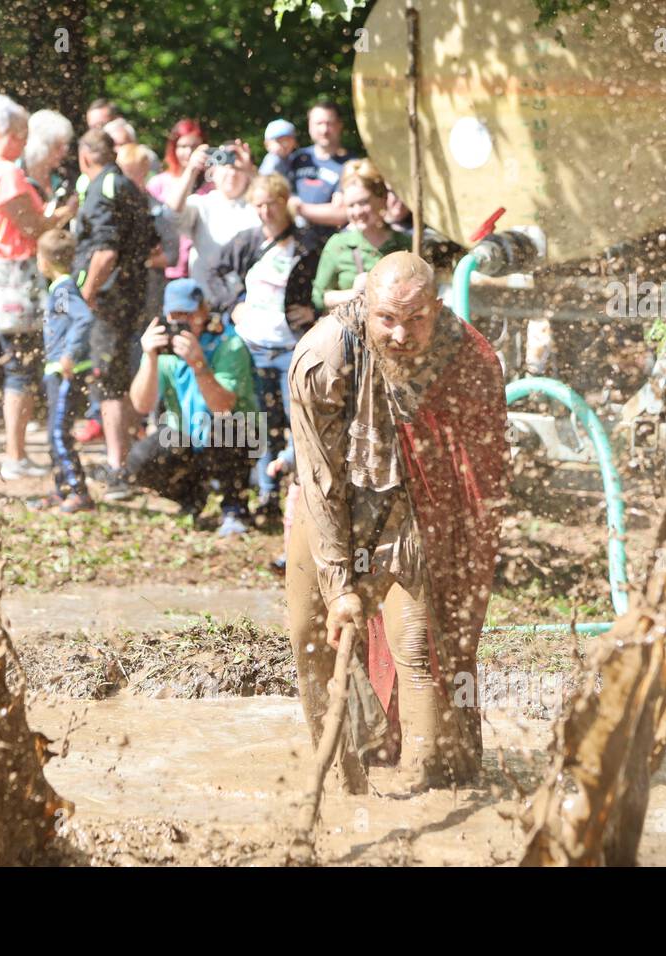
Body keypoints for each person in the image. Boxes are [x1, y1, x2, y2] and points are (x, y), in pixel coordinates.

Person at [286, 252, 507, 794]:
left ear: (437, 309)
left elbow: (479, 471)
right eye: (388, 318)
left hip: (413, 505)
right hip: (334, 498)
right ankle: (345, 775)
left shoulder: (467, 356)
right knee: (310, 636)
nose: (402, 333)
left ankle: (424, 788)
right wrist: (339, 585)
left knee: (417, 648)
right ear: (365, 307)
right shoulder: (323, 356)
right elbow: (319, 480)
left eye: (416, 319)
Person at [0, 93, 68, 482]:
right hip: (13, 276)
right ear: (3, 132)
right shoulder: (5, 172)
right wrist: (64, 214)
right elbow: (33, 227)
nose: (24, 142)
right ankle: (15, 456)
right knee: (19, 366)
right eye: (20, 134)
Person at [206, 172, 319, 516]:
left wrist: (313, 310)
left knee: (300, 421)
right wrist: (231, 304)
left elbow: (322, 283)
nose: (265, 211)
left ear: (284, 202)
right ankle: (267, 494)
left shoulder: (307, 244)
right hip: (253, 345)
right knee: (262, 422)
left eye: (271, 203)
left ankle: (302, 493)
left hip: (292, 347)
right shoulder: (248, 241)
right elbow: (213, 273)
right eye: (258, 205)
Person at [125, 279, 259, 536]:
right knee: (140, 461)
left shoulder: (228, 343)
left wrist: (198, 364)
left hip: (238, 432)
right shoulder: (162, 348)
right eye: (175, 315)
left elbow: (223, 406)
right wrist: (150, 359)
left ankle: (235, 506)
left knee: (224, 430)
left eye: (188, 314)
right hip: (186, 434)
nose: (182, 321)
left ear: (202, 312)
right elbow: (141, 404)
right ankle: (192, 496)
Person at [74, 129, 158, 499]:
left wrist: (86, 293)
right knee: (121, 378)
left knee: (108, 382)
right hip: (134, 296)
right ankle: (127, 463)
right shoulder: (127, 185)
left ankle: (118, 468)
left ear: (85, 156)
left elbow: (105, 252)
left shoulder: (102, 188)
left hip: (110, 302)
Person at [35, 228, 95, 513]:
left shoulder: (62, 290)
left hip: (64, 371)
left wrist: (70, 354)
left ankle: (79, 492)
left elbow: (83, 318)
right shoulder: (58, 288)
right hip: (55, 369)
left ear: (44, 261)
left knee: (59, 433)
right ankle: (63, 489)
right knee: (53, 433)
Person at [312, 159, 412, 312]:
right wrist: (355, 295)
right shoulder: (338, 244)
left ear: (381, 198)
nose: (357, 212)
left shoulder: (405, 244)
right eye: (351, 205)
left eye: (364, 202)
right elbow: (319, 298)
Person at [166, 139, 260, 298]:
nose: (232, 173)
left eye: (237, 168)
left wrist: (250, 171)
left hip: (250, 296)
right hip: (207, 297)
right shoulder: (202, 204)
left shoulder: (258, 205)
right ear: (213, 172)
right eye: (226, 166)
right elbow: (172, 213)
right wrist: (191, 170)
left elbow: (277, 207)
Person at [117, 143, 180, 330]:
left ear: (144, 172)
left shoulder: (157, 210)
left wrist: (142, 260)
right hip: (118, 295)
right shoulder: (110, 208)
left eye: (133, 173)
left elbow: (172, 255)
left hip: (149, 296)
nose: (126, 180)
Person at [283, 99, 357, 248]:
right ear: (310, 126)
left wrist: (299, 208)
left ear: (339, 125)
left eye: (329, 123)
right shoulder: (297, 158)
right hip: (291, 244)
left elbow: (342, 213)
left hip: (330, 246)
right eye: (319, 123)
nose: (324, 130)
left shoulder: (351, 165)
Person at [148, 118, 205, 282]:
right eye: (183, 146)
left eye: (194, 147)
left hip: (201, 268)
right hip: (167, 270)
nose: (188, 152)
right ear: (173, 148)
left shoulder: (213, 184)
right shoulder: (158, 183)